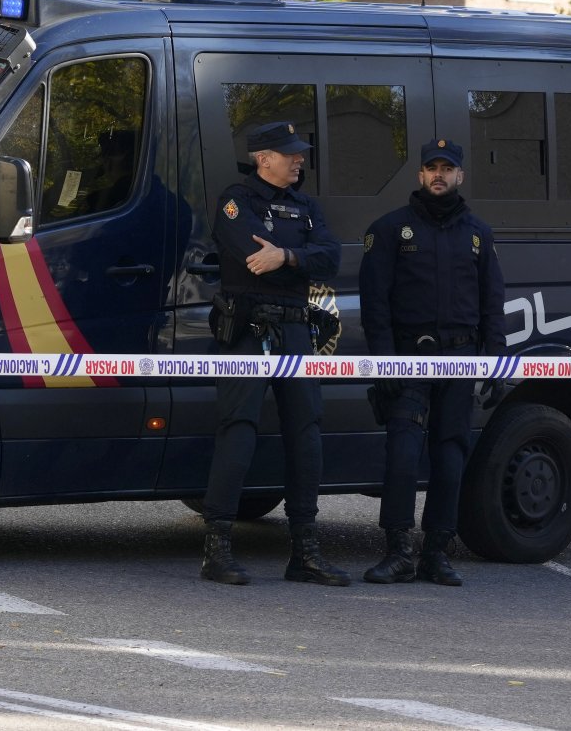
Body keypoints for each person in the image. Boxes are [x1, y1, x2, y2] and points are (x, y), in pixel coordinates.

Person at [199, 120, 349, 587]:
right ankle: (217, 550)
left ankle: (305, 553)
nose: (299, 160)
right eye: (291, 154)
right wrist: (296, 258)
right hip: (247, 329)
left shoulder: (307, 206)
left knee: (306, 433)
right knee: (238, 431)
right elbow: (250, 260)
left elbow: (331, 259)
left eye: (299, 153)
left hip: (295, 330)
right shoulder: (236, 202)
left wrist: (286, 258)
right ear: (264, 158)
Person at [358, 138, 505, 586]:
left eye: (447, 168)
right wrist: (384, 362)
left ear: (460, 175)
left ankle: (437, 552)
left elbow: (492, 302)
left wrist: (494, 361)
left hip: (461, 359)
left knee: (450, 455)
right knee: (402, 453)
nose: (439, 174)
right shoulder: (388, 230)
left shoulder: (478, 234)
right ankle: (399, 550)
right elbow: (374, 304)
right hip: (408, 359)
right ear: (420, 175)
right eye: (431, 168)